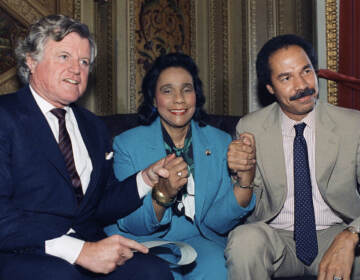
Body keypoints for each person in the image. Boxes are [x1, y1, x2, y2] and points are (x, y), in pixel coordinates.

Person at [0, 14, 174, 280]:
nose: (76, 69)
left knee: (154, 271)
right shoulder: (5, 116)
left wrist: (146, 178)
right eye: (64, 57)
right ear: (31, 61)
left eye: (84, 62)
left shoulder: (92, 126)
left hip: (87, 243)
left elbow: (99, 204)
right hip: (23, 251)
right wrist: (78, 251)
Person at [104, 52, 256, 279]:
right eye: (167, 90)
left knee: (218, 268)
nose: (179, 99)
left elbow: (218, 222)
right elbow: (131, 224)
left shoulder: (220, 141)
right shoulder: (127, 144)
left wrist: (245, 181)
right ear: (154, 99)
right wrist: (162, 195)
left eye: (187, 89)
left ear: (197, 95)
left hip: (199, 239)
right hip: (144, 242)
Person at [225, 34, 360, 280]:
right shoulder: (251, 127)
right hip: (278, 238)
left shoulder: (353, 125)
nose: (302, 86)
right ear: (270, 88)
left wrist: (351, 235)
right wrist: (245, 176)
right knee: (245, 240)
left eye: (306, 71)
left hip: (336, 231)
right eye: (286, 78)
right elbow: (251, 205)